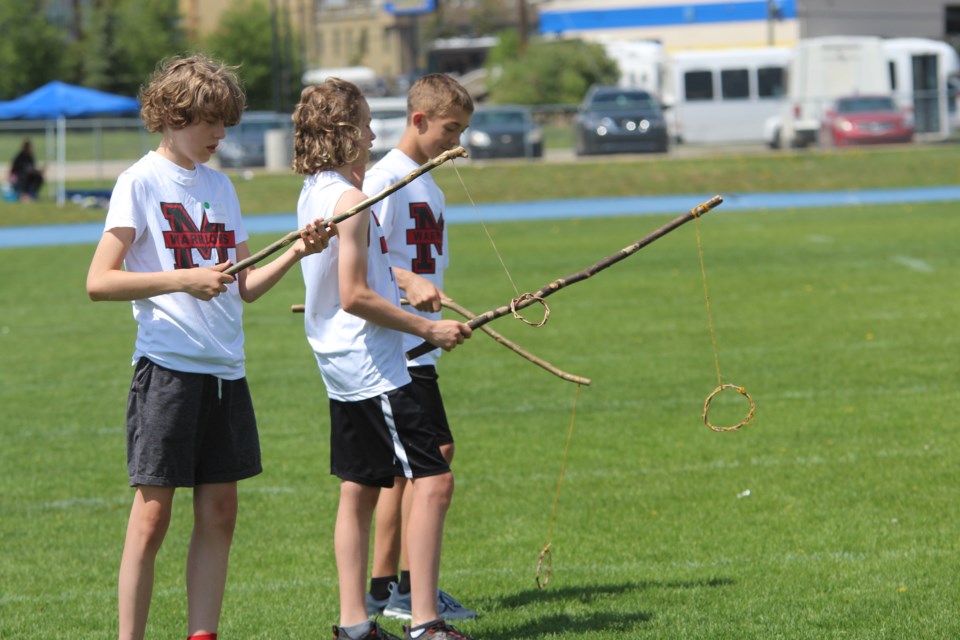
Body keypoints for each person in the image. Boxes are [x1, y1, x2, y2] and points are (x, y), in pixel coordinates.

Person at [85, 53, 334, 640]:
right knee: (152, 519)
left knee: (220, 514)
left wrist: (298, 250)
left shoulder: (221, 187)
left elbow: (244, 286)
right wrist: (183, 278)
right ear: (174, 114)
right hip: (167, 371)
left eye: (227, 123)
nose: (222, 134)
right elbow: (100, 281)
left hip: (227, 371)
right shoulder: (138, 182)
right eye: (211, 122)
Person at [292, 78, 474, 640]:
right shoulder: (360, 192)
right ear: (346, 132)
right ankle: (421, 619)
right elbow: (356, 290)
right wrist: (425, 326)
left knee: (363, 484)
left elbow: (354, 273)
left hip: (355, 358)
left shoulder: (321, 191)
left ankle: (357, 623)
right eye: (367, 123)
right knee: (432, 477)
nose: (374, 133)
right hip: (378, 357)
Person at [361, 74, 476, 623]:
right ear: (419, 120)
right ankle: (406, 592)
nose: (456, 143)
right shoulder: (386, 178)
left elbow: (425, 261)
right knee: (433, 460)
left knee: (404, 469)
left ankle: (385, 588)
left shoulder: (432, 182)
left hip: (421, 338)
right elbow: (366, 256)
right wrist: (409, 284)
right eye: (449, 130)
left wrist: (437, 294)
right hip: (400, 339)